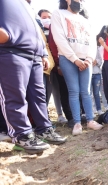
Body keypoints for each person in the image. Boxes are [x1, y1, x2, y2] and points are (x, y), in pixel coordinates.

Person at [0, 0, 66, 153]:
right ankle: (22, 135)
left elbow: (36, 29)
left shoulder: (26, 5)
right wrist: (6, 36)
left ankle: (44, 129)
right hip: (10, 51)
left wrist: (42, 52)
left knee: (39, 97)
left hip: (34, 55)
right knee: (15, 97)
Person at [51, 0, 103, 135]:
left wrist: (89, 59)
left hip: (86, 60)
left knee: (86, 92)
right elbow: (59, 38)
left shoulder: (85, 20)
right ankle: (77, 123)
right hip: (68, 59)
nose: (78, 1)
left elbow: (92, 42)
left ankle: (90, 120)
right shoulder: (58, 14)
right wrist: (74, 59)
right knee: (73, 91)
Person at [91, 42, 104, 115]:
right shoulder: (85, 49)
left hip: (97, 73)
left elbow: (100, 60)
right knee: (88, 94)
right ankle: (91, 110)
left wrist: (97, 61)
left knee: (96, 93)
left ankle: (99, 109)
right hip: (88, 74)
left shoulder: (96, 49)